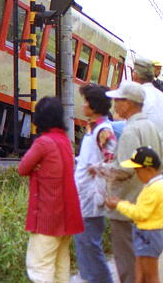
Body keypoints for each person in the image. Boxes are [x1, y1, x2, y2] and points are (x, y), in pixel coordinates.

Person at [95, 83, 163, 283]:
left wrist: (100, 169)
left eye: (118, 100)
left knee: (127, 265)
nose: (114, 104)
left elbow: (124, 169)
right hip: (146, 206)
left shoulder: (131, 130)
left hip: (125, 206)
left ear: (128, 104)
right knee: (144, 265)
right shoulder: (152, 127)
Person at [18, 96, 84, 283]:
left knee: (40, 266)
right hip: (67, 216)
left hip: (47, 216)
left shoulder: (43, 143)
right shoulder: (65, 141)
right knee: (61, 266)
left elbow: (23, 168)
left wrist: (36, 167)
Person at [74, 84, 117, 283]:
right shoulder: (96, 128)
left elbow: (112, 159)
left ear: (94, 105)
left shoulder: (103, 131)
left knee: (89, 246)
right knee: (85, 245)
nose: (83, 106)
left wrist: (96, 168)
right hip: (85, 194)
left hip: (92, 195)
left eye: (86, 102)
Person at [106, 146, 163, 283]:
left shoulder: (155, 188)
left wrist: (119, 204)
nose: (136, 175)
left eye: (137, 171)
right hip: (146, 234)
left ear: (148, 169)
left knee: (151, 276)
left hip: (149, 234)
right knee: (141, 275)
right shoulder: (153, 185)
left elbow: (140, 213)